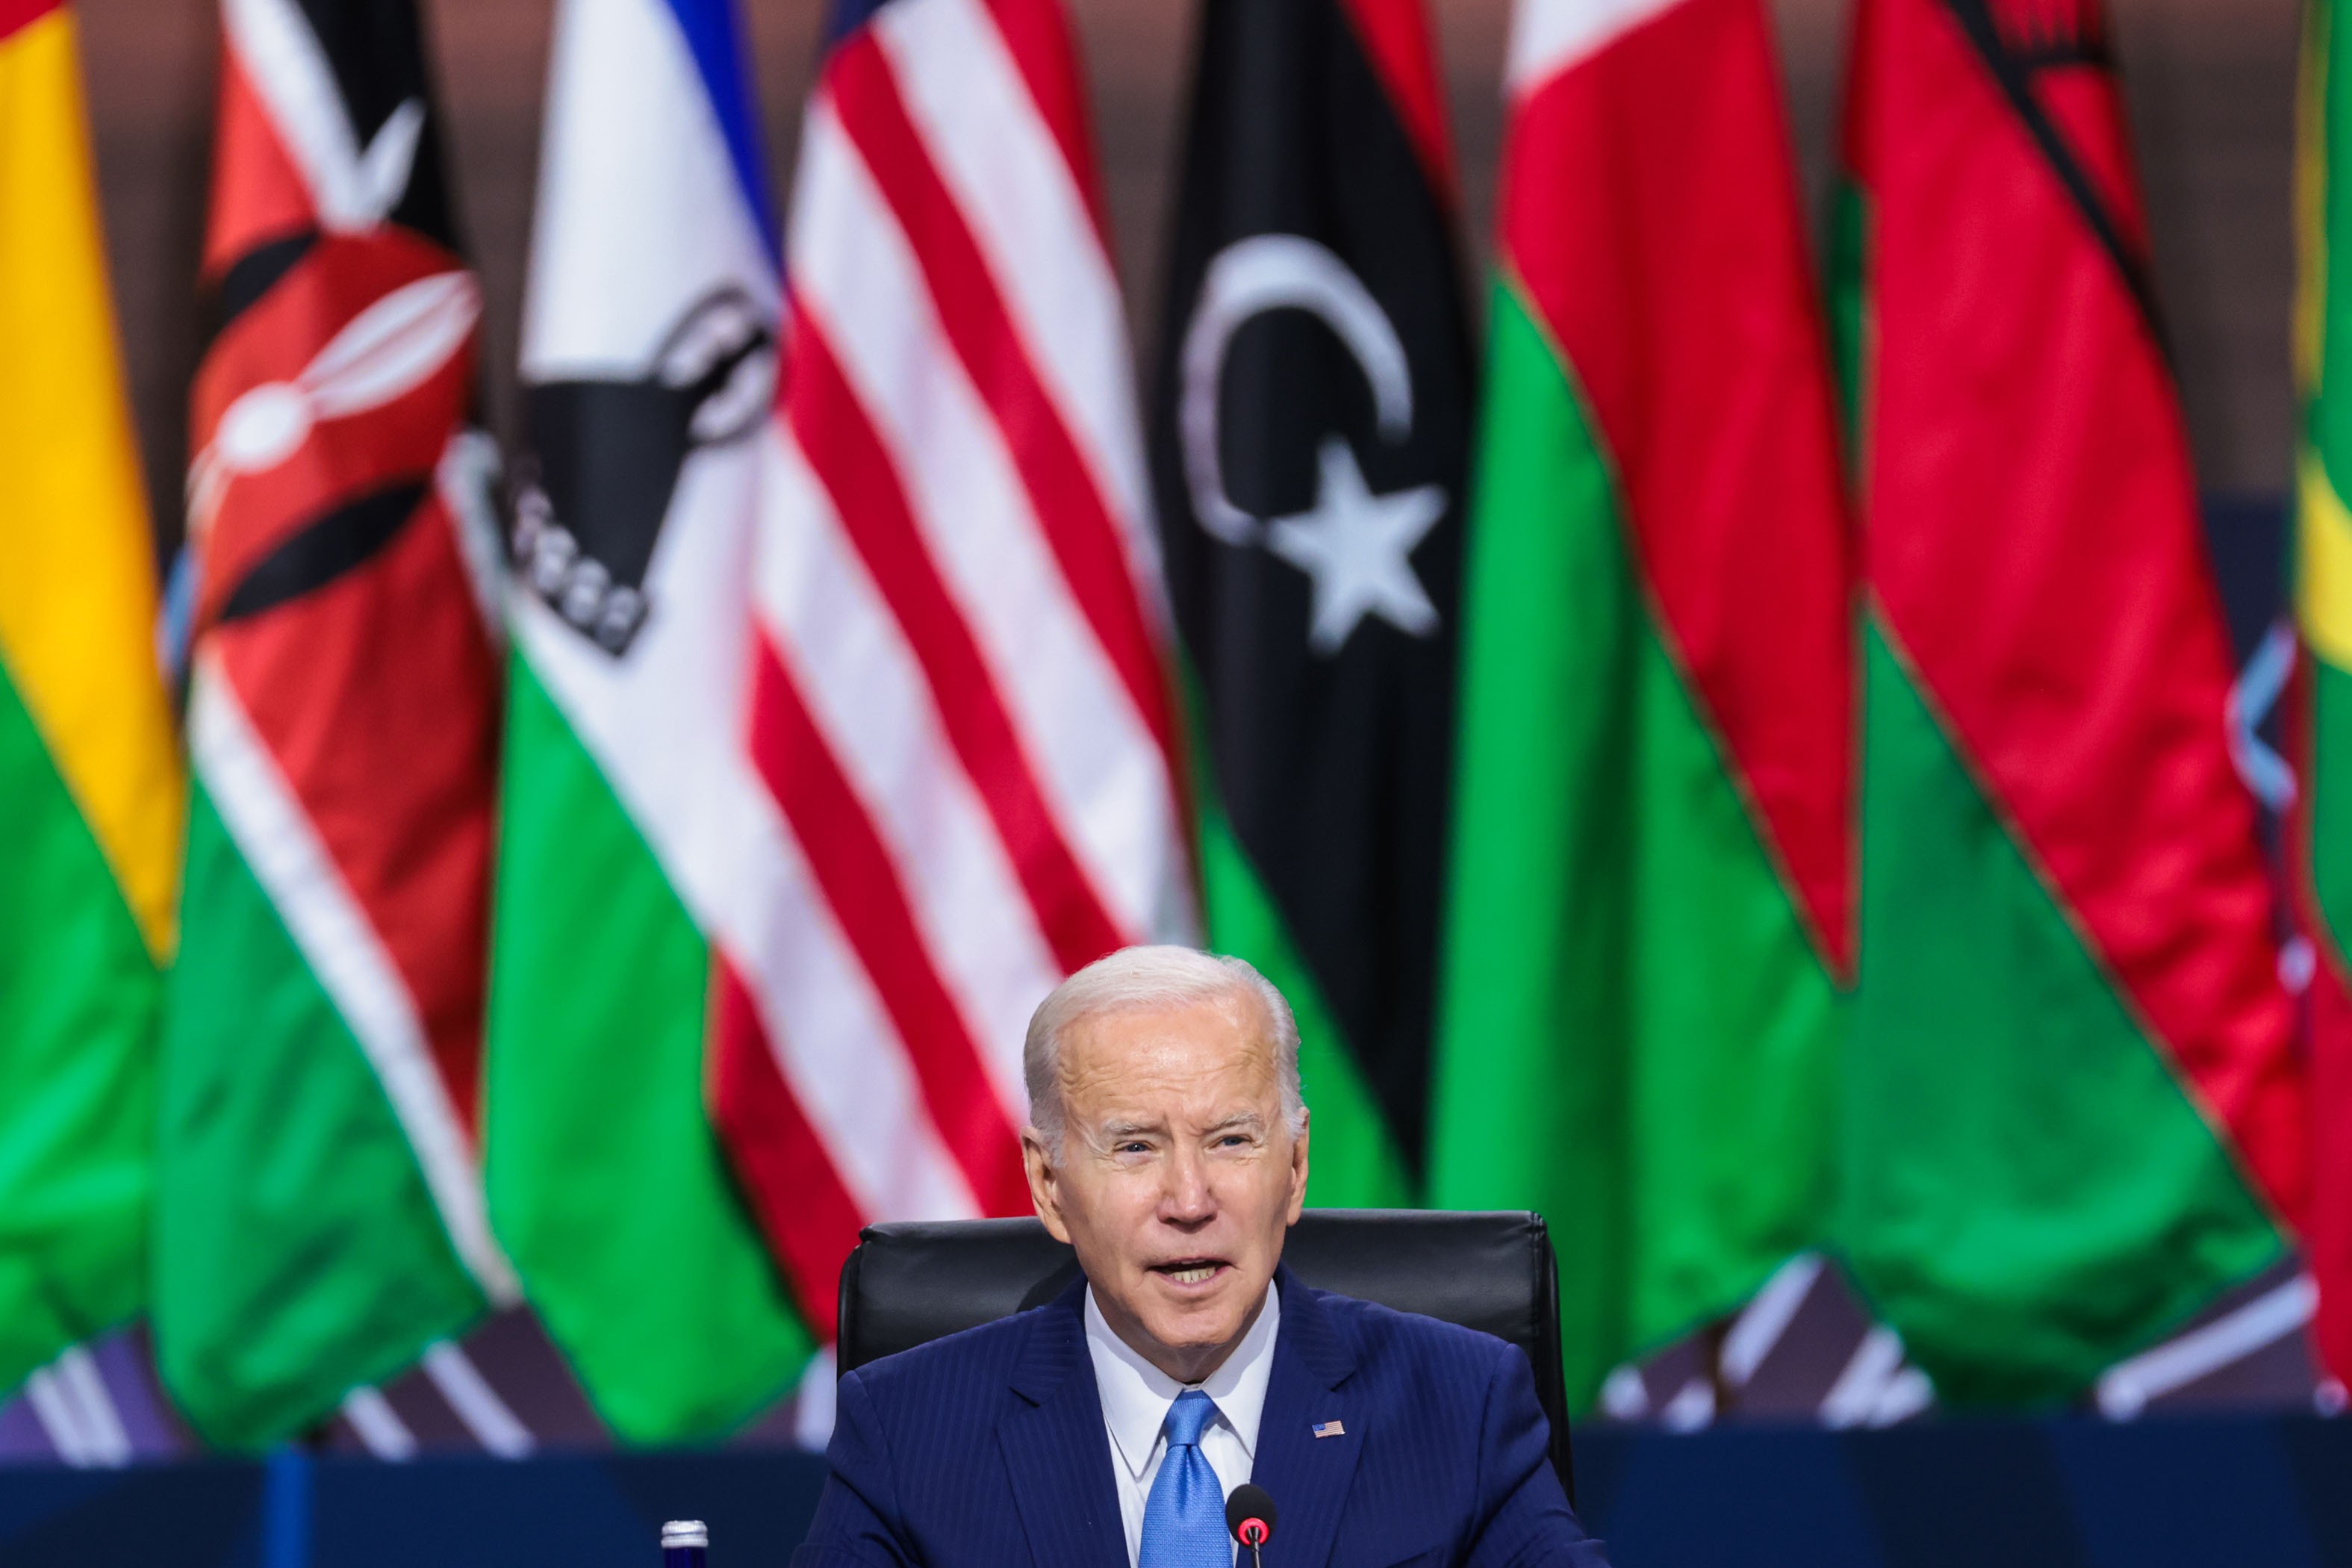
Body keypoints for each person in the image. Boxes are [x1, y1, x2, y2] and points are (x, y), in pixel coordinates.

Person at [794, 945, 1611, 1567]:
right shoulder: (907, 1433)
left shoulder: (1460, 1407)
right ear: (1049, 1186)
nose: (1190, 1200)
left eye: (1231, 1141)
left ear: (1294, 1169)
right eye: (1137, 1147)